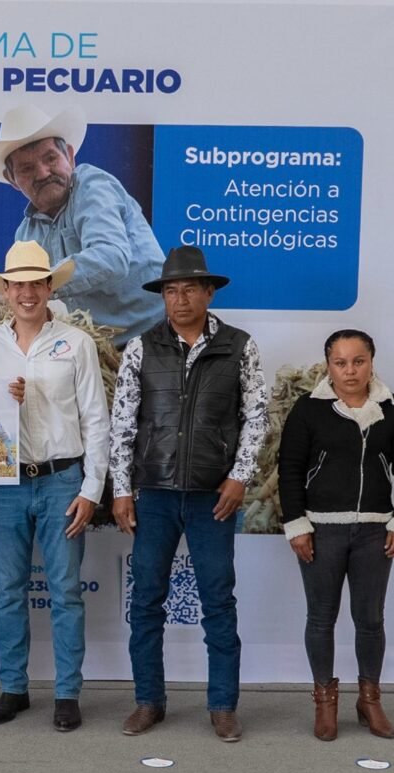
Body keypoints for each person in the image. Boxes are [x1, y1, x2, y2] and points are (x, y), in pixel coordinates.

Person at [109, 245, 267, 743]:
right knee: (146, 602)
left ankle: (223, 706)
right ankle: (148, 701)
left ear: (209, 293)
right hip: (154, 494)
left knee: (218, 601)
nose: (179, 300)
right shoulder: (141, 347)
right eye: (171, 291)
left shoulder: (240, 346)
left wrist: (240, 476)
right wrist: (121, 490)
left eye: (189, 290)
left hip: (212, 496)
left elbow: (257, 416)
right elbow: (122, 424)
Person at [0, 240, 110, 732]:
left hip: (61, 480)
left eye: (36, 283)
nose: (27, 292)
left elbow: (96, 418)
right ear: (5, 290)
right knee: (9, 591)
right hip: (5, 483)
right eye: (18, 284)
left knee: (66, 591)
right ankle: (14, 687)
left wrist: (91, 489)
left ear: (50, 288)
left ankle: (67, 692)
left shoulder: (77, 343)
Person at [277, 329, 394, 741]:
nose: (350, 370)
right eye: (340, 363)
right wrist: (297, 525)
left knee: (370, 619)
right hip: (321, 530)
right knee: (321, 618)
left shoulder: (391, 408)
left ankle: (369, 700)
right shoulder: (308, 409)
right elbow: (289, 470)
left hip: (375, 531)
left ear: (372, 361)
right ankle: (325, 702)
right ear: (329, 366)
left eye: (359, 361)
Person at [0, 104, 165, 347]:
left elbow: (111, 257)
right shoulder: (26, 233)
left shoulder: (92, 185)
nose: (42, 173)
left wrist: (27, 286)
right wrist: (4, 292)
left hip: (158, 338)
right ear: (13, 180)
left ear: (70, 157)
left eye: (50, 158)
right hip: (103, 348)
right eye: (27, 168)